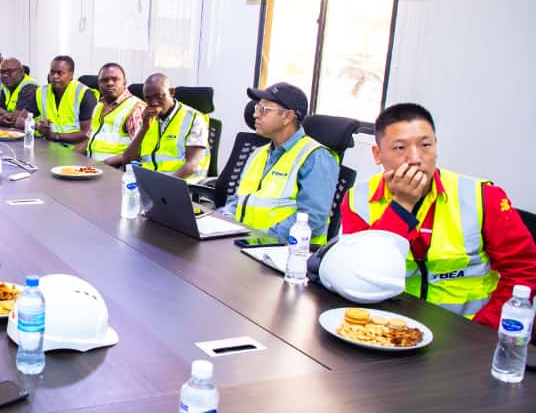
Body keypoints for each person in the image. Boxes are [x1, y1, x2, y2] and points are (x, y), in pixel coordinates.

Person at [342, 102, 536, 327]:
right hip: (388, 327)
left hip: (466, 330)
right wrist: (402, 205)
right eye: (400, 148)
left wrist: (484, 329)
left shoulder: (483, 196)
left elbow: (524, 270)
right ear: (377, 154)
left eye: (425, 145)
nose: (415, 158)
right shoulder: (358, 200)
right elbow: (362, 276)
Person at [222, 82, 339, 244]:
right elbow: (238, 200)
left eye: (264, 109)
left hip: (285, 251)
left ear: (287, 117)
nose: (255, 115)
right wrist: (222, 222)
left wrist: (261, 240)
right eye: (257, 108)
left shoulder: (315, 157)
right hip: (244, 243)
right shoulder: (258, 153)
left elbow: (313, 219)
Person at [118, 74, 207, 181]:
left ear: (171, 92)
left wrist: (163, 184)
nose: (153, 102)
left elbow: (192, 165)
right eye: (148, 98)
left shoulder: (193, 118)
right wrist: (144, 129)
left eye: (159, 96)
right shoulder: (147, 118)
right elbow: (127, 160)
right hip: (149, 181)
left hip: (181, 183)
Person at [85, 63, 144, 165]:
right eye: (104, 80)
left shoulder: (135, 108)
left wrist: (106, 164)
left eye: (115, 79)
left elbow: (140, 151)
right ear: (98, 84)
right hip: (93, 166)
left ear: (124, 82)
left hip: (117, 168)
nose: (110, 83)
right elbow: (90, 139)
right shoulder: (99, 105)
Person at [29, 55, 96, 143]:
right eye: (52, 72)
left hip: (73, 148)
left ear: (71, 75)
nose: (54, 76)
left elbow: (87, 133)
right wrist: (37, 125)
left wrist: (55, 136)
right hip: (47, 145)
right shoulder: (41, 92)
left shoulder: (84, 94)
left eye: (59, 73)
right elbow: (21, 120)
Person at [0, 57, 38, 129]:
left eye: (10, 71)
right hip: (12, 131)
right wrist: (0, 118)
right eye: (2, 72)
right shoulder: (7, 87)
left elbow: (15, 119)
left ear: (21, 71)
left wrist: (1, 114)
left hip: (30, 133)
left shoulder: (30, 87)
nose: (5, 75)